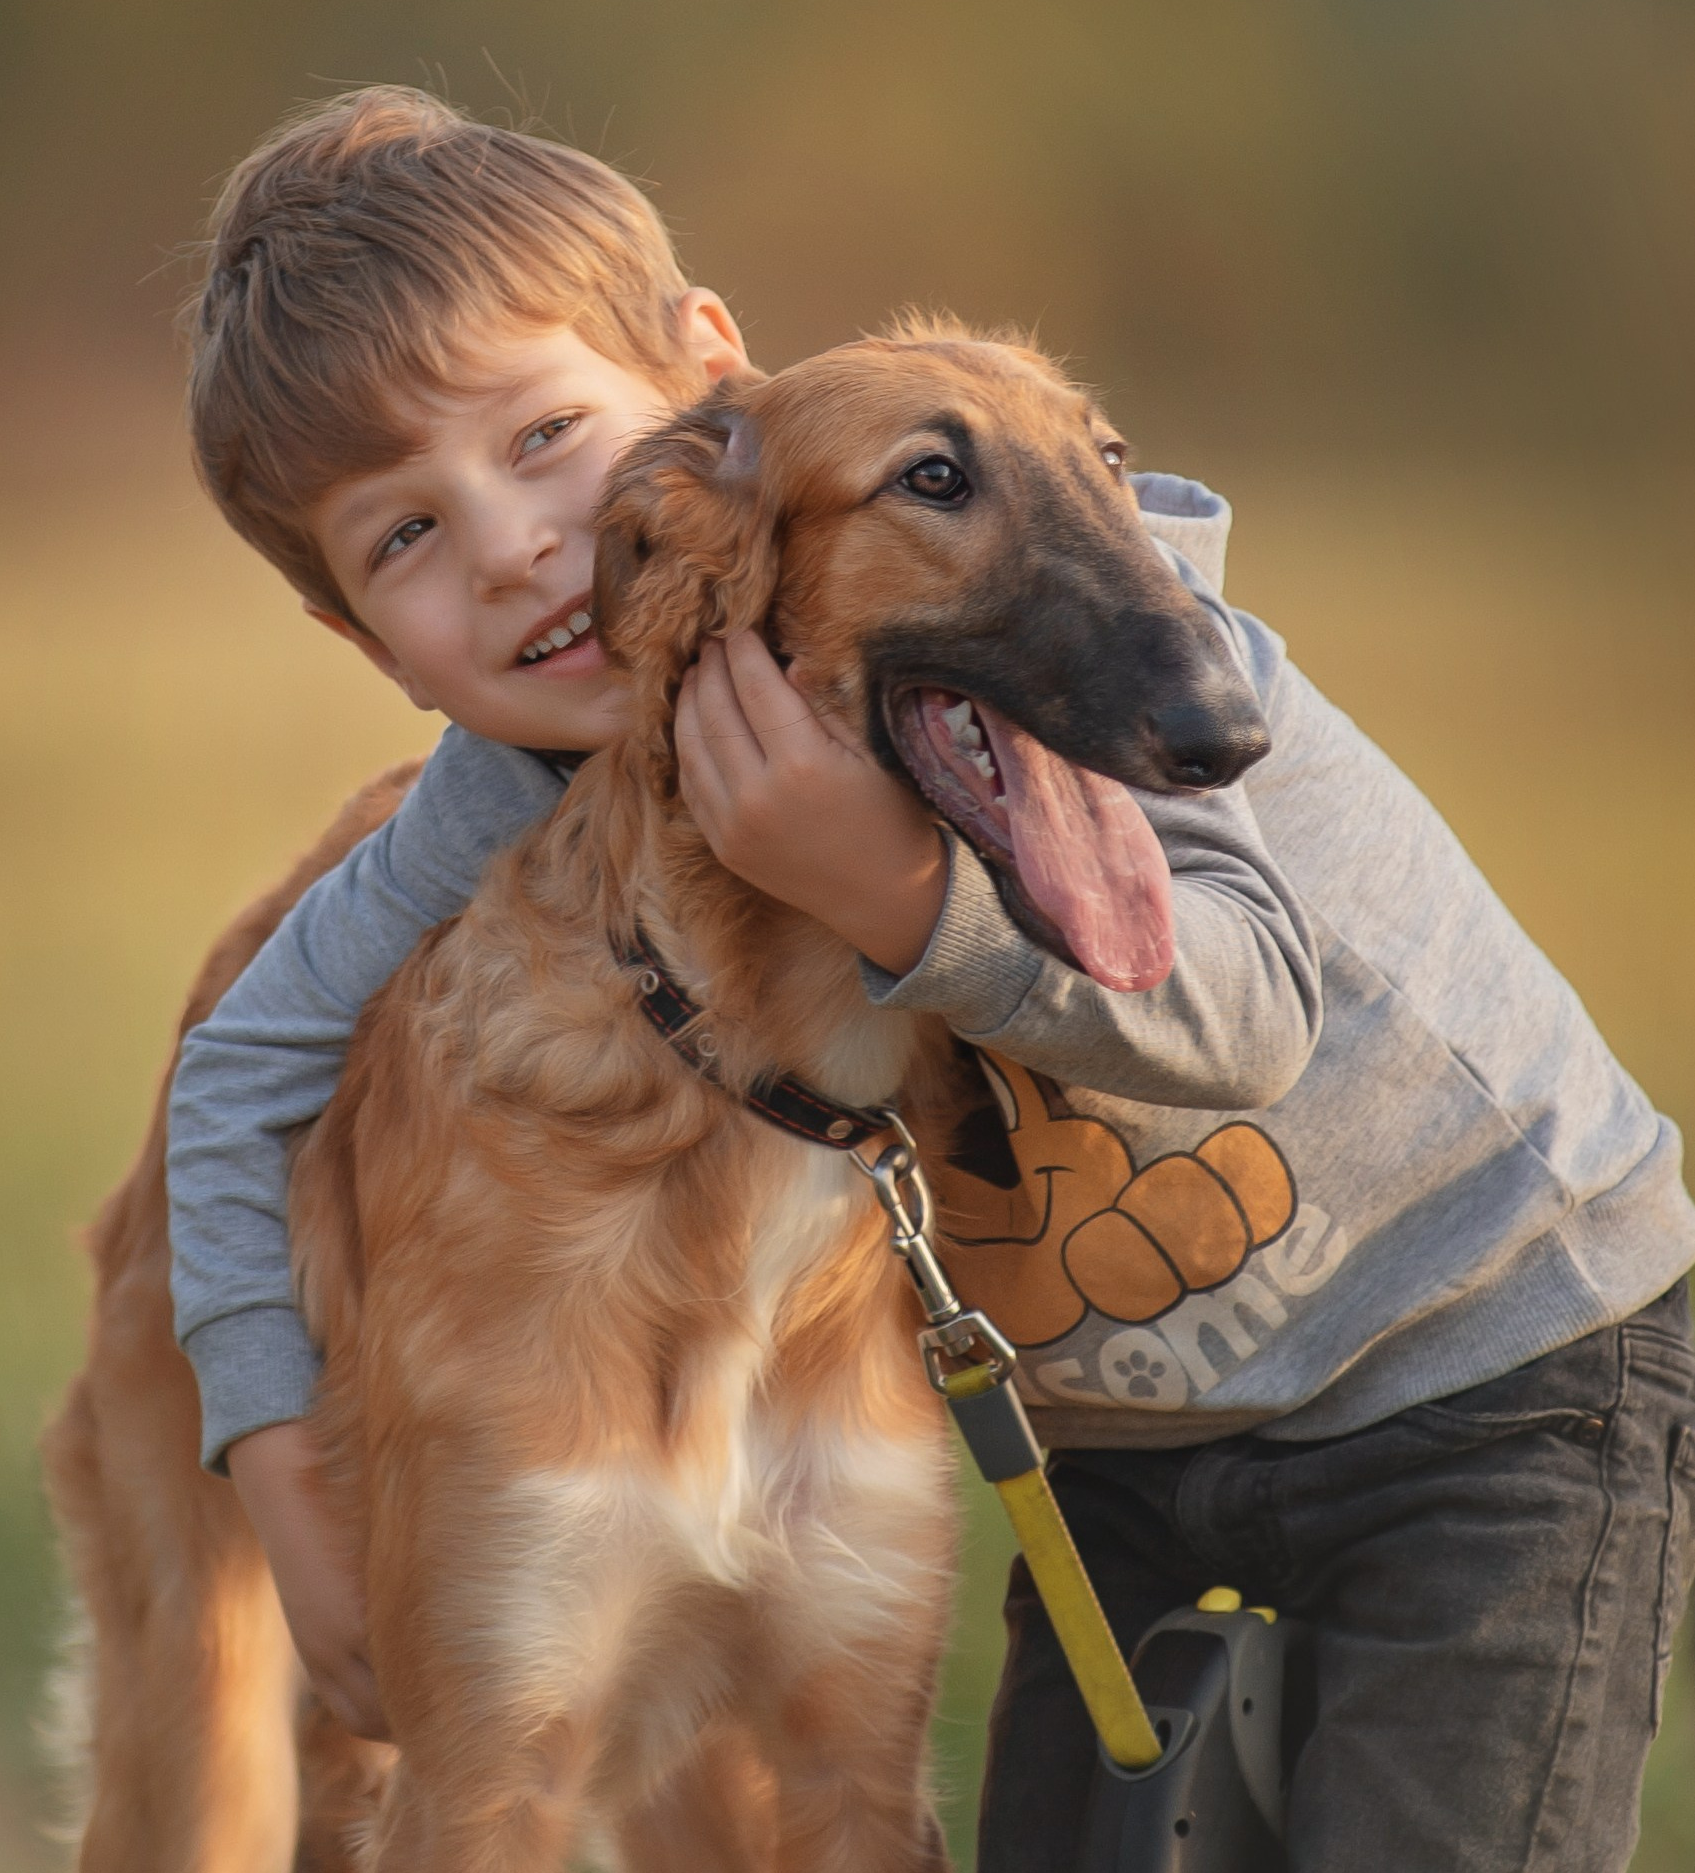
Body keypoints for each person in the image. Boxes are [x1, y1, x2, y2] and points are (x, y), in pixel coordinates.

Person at [166, 83, 1695, 1869]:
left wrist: (889, 886)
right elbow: (245, 1065)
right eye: (405, 534)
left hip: (1492, 1369)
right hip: (1129, 1446)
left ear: (703, 386)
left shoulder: (1099, 660)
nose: (515, 544)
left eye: (546, 436)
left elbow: (1243, 1011)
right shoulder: (529, 766)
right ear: (359, 635)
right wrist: (280, 1466)